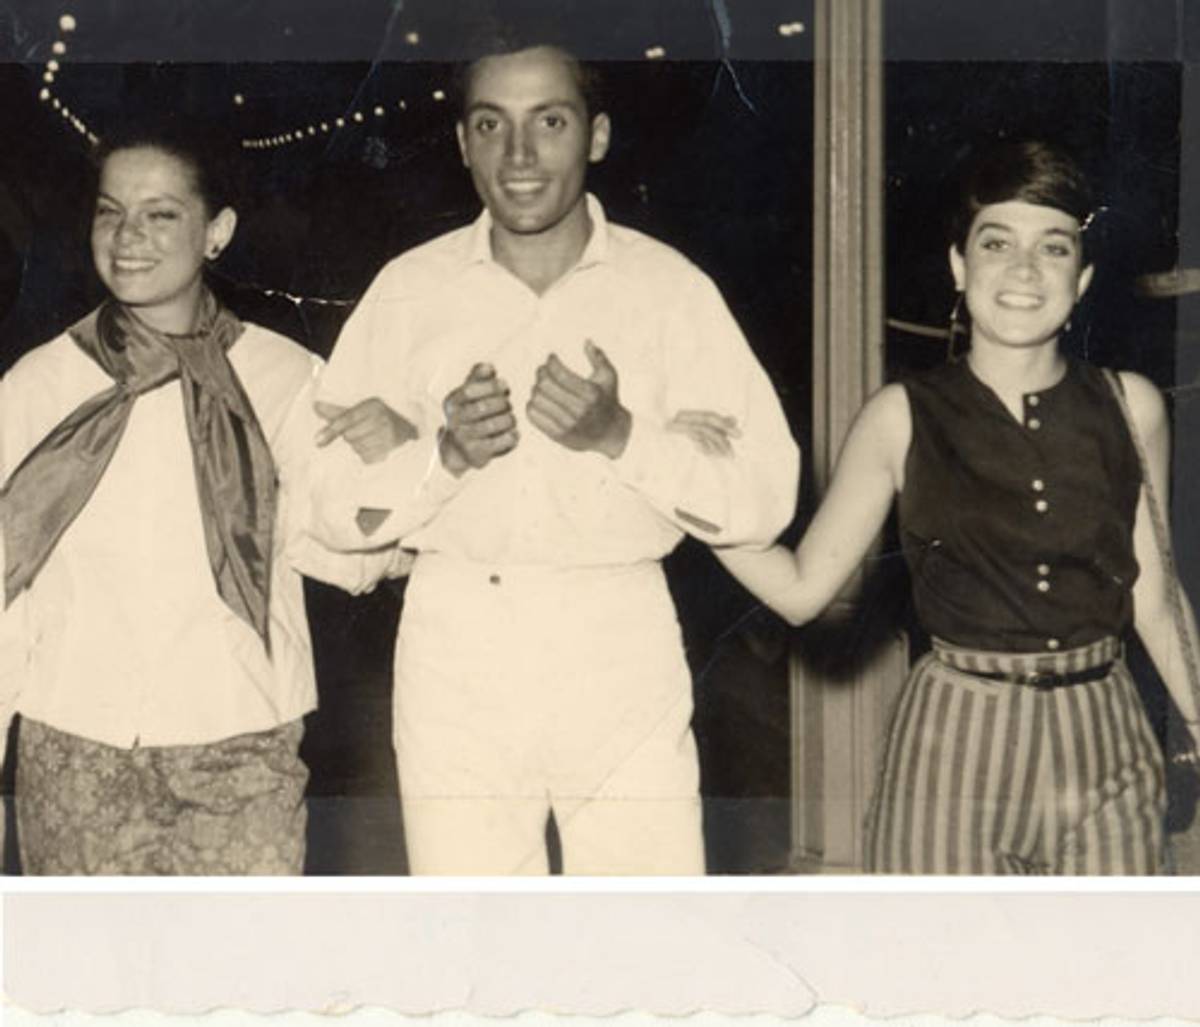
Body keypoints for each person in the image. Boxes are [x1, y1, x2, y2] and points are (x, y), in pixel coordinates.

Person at [306, 39, 799, 874]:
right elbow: (327, 507)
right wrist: (445, 453)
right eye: (492, 124)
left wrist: (622, 436)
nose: (520, 155)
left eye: (551, 122)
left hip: (619, 633)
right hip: (456, 639)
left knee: (643, 941)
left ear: (597, 137)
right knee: (479, 943)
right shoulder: (408, 292)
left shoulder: (669, 291)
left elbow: (765, 498)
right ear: (463, 143)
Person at [703, 139, 1200, 874]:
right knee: (942, 973)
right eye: (996, 243)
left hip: (1107, 738)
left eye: (1054, 247)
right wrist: (687, 492)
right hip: (955, 741)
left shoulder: (1133, 406)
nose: (1025, 270)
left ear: (1083, 276)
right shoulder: (901, 415)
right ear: (960, 267)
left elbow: (1155, 599)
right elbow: (804, 590)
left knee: (1107, 973)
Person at [0, 120, 396, 874]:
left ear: (216, 232)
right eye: (110, 211)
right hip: (72, 748)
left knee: (237, 982)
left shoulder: (289, 380)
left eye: (160, 213)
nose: (127, 237)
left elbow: (351, 548)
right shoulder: (36, 387)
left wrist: (400, 462)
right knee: (88, 987)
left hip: (239, 746)